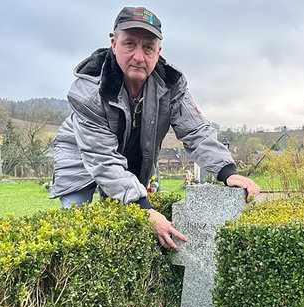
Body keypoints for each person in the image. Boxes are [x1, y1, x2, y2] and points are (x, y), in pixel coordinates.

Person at [49, 6, 259, 250]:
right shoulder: (87, 93)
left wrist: (226, 170)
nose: (139, 56)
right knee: (78, 232)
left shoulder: (171, 84)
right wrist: (144, 208)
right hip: (82, 159)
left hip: (131, 159)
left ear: (158, 51)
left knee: (123, 226)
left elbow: (196, 130)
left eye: (148, 47)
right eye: (130, 44)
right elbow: (102, 159)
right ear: (114, 43)